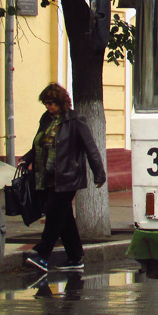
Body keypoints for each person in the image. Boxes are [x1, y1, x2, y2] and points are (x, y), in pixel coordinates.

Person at [19, 83, 107, 273]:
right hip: (47, 177)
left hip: (68, 178)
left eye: (52, 103)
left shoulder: (75, 121)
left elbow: (90, 148)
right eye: (46, 103)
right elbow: (39, 145)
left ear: (61, 102)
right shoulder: (46, 120)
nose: (49, 107)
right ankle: (75, 258)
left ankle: (42, 255)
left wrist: (98, 174)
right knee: (64, 218)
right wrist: (26, 159)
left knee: (53, 214)